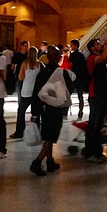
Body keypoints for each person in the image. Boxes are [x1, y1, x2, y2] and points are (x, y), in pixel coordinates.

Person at [30, 46, 71, 176]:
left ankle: (50, 161)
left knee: (48, 134)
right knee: (51, 136)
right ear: (59, 57)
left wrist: (35, 111)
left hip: (44, 108)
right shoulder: (61, 73)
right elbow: (69, 88)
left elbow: (36, 92)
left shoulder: (42, 73)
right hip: (56, 108)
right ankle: (37, 162)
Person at [82, 35, 107, 162]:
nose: (100, 45)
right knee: (95, 124)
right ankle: (92, 153)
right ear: (92, 48)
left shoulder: (100, 58)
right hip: (95, 94)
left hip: (101, 93)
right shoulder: (92, 58)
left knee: (98, 123)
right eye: (97, 44)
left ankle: (97, 152)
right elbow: (103, 57)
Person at [13, 45, 40, 139]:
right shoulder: (40, 64)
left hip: (26, 90)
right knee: (36, 113)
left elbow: (20, 77)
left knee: (21, 111)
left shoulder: (25, 63)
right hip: (36, 92)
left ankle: (19, 132)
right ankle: (37, 132)